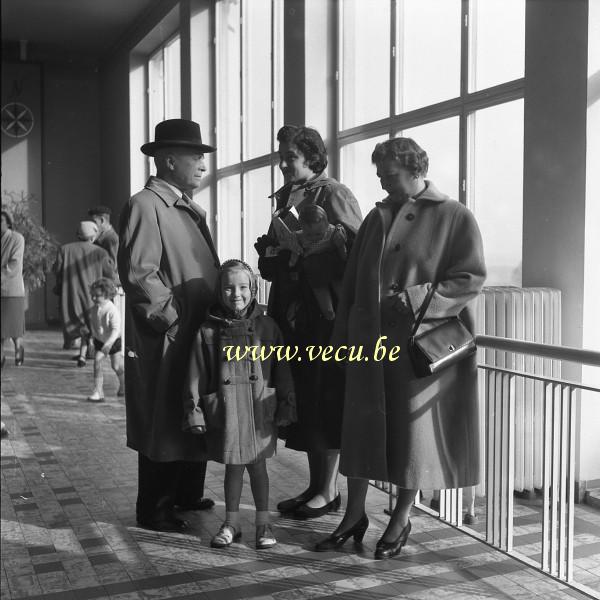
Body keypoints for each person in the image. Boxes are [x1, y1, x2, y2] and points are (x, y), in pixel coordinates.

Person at [316, 137, 486, 559]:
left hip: (416, 350)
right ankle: (353, 516)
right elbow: (355, 283)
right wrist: (342, 341)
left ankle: (400, 518)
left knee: (414, 439)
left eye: (388, 173)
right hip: (368, 347)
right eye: (379, 173)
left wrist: (415, 298)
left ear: (415, 169)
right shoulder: (376, 217)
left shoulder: (454, 216)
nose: (381, 179)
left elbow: (470, 277)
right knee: (359, 431)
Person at [118, 118, 220, 533]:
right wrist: (172, 321)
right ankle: (155, 509)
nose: (201, 163)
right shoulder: (147, 204)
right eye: (194, 156)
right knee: (163, 416)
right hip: (171, 334)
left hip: (191, 331)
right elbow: (140, 274)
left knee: (187, 409)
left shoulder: (182, 205)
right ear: (167, 159)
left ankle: (186, 494)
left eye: (201, 156)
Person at [255, 126, 362, 519]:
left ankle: (328, 490)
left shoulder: (334, 194)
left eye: (290, 157)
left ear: (313, 158)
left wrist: (311, 253)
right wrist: (274, 253)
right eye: (281, 156)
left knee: (323, 395)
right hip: (293, 312)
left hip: (323, 317)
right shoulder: (290, 197)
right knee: (304, 395)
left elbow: (353, 251)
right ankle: (318, 486)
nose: (283, 164)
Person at [183, 260, 296, 549]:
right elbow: (195, 373)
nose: (237, 293)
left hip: (259, 411)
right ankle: (231, 522)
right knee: (233, 468)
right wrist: (194, 411)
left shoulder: (268, 328)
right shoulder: (207, 331)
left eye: (243, 287)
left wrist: (286, 404)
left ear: (254, 289)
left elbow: (283, 370)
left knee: (259, 469)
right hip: (228, 411)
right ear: (219, 291)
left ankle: (263, 524)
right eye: (229, 287)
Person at [53, 221, 115, 365]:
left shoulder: (64, 250)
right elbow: (110, 275)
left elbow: (56, 270)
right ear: (93, 236)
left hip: (71, 294)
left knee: (78, 324)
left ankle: (83, 352)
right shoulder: (100, 252)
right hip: (94, 296)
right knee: (91, 323)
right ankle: (88, 351)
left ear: (78, 235)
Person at [288, 204, 347, 320]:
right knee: (320, 291)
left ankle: (347, 308)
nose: (314, 238)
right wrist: (292, 263)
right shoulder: (299, 236)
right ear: (302, 228)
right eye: (309, 234)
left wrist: (343, 255)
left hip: (333, 266)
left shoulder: (333, 232)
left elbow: (342, 249)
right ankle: (329, 312)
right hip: (315, 270)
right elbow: (295, 251)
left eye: (318, 234)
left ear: (326, 225)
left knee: (341, 290)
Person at [86, 278, 125, 402]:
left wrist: (108, 344)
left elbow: (116, 330)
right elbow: (94, 326)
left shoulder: (111, 310)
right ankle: (98, 391)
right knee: (97, 361)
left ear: (107, 295)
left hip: (113, 341)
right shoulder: (94, 309)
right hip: (99, 340)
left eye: (97, 296)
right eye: (92, 295)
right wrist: (92, 339)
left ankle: (124, 384)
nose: (93, 298)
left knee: (116, 365)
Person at [1, 210, 26, 368]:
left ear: (8, 222)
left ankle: (19, 348)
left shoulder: (17, 238)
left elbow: (15, 263)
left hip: (12, 289)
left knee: (14, 325)